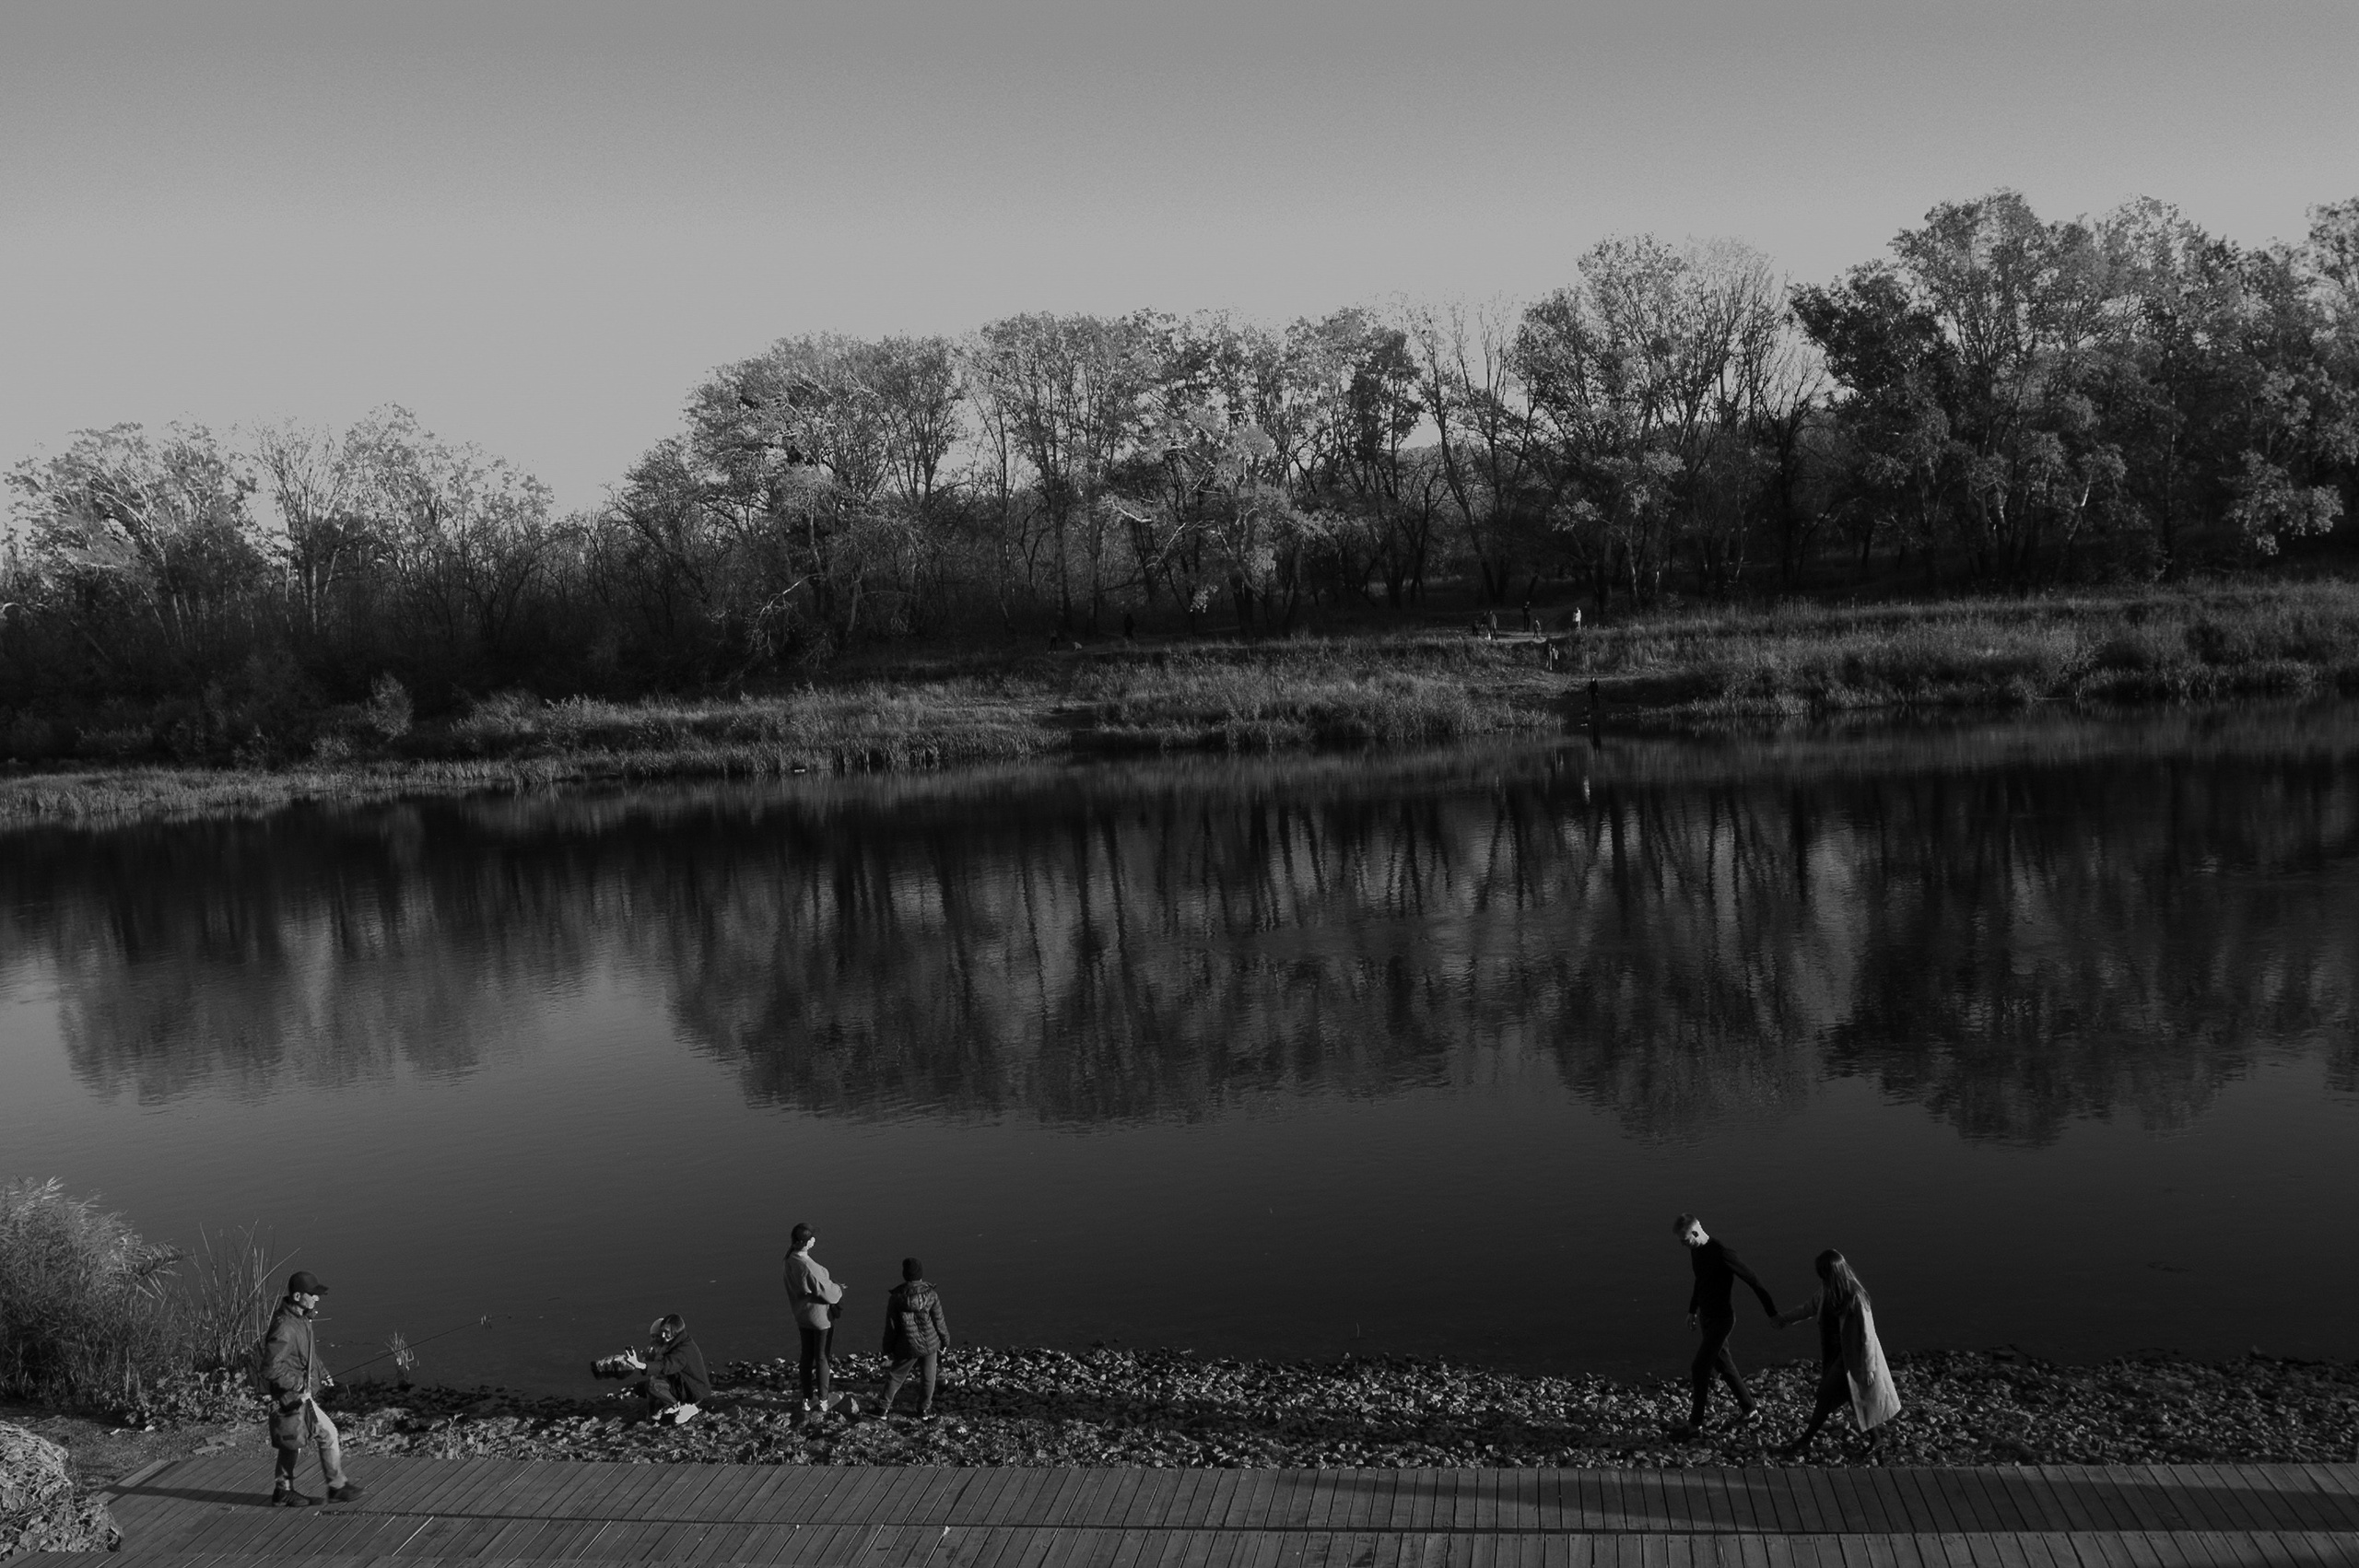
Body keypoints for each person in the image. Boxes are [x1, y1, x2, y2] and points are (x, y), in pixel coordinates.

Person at [1773, 1248, 1900, 1455]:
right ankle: (1877, 1439)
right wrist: (1784, 1319)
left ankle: (1805, 1440)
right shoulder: (1827, 1291)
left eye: (1823, 1273)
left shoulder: (1856, 1297)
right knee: (1851, 1395)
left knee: (1825, 1395)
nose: (1821, 1277)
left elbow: (1868, 1335)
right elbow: (1809, 1308)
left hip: (1851, 1358)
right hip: (1835, 1354)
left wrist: (1868, 1368)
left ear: (1833, 1272)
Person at [261, 1270, 364, 1507]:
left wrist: (322, 1372)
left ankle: (283, 1490)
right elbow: (269, 1368)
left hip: (299, 1395)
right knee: (328, 1434)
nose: (317, 1298)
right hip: (292, 1396)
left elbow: (308, 1356)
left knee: (292, 1442)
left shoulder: (301, 1319)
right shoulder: (285, 1327)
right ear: (297, 1296)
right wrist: (298, 1384)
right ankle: (337, 1487)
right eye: (312, 1294)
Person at [1673, 1213, 1778, 1437]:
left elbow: (1753, 1280)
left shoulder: (1721, 1253)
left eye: (1684, 1240)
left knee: (1699, 1367)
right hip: (1707, 1319)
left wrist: (1772, 1314)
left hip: (1722, 1320)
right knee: (1724, 1365)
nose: (1682, 1245)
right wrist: (1692, 1310)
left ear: (1695, 1232)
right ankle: (1750, 1411)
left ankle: (1694, 1425)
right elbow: (1700, 1281)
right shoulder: (1696, 1251)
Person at [783, 1223, 851, 1416]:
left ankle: (806, 1398)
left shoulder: (789, 1260)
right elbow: (830, 1294)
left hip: (802, 1315)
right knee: (822, 1357)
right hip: (820, 1319)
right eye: (812, 1237)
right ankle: (823, 1400)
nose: (815, 1239)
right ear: (807, 1242)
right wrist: (839, 1288)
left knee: (806, 1355)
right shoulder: (808, 1266)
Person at [877, 1258, 950, 1420]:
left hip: (906, 1345)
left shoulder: (896, 1297)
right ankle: (923, 1410)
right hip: (930, 1344)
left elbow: (891, 1326)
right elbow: (939, 1321)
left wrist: (887, 1349)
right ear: (921, 1275)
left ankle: (882, 1409)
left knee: (896, 1377)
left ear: (905, 1275)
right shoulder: (930, 1294)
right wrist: (945, 1341)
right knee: (928, 1378)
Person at [619, 1314, 711, 1425]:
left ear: (675, 1332)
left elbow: (664, 1366)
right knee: (641, 1388)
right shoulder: (675, 1343)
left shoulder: (682, 1350)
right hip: (680, 1383)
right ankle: (663, 1405)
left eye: (666, 1332)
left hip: (693, 1391)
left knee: (653, 1386)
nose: (662, 1335)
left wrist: (639, 1364)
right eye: (661, 1332)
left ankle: (684, 1406)